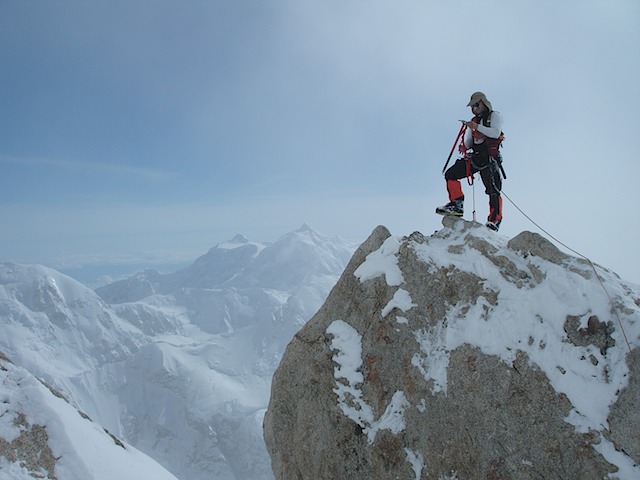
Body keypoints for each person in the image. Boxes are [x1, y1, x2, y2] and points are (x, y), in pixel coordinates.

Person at [436, 92, 504, 231]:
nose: (474, 109)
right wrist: (465, 146)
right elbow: (470, 141)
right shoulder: (475, 121)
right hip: (476, 156)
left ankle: (494, 220)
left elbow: (495, 133)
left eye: (476, 105)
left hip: (489, 158)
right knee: (451, 174)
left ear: (484, 103)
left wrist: (475, 127)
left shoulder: (494, 116)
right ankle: (457, 204)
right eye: (472, 106)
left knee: (493, 190)